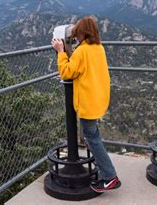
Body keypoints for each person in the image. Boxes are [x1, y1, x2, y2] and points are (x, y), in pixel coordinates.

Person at [51, 16, 121, 193]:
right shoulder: (98, 48)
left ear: (82, 33)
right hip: (98, 99)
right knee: (92, 137)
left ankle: (110, 177)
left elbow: (67, 72)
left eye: (76, 34)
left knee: (93, 139)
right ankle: (105, 171)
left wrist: (60, 51)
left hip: (88, 102)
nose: (74, 37)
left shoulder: (82, 52)